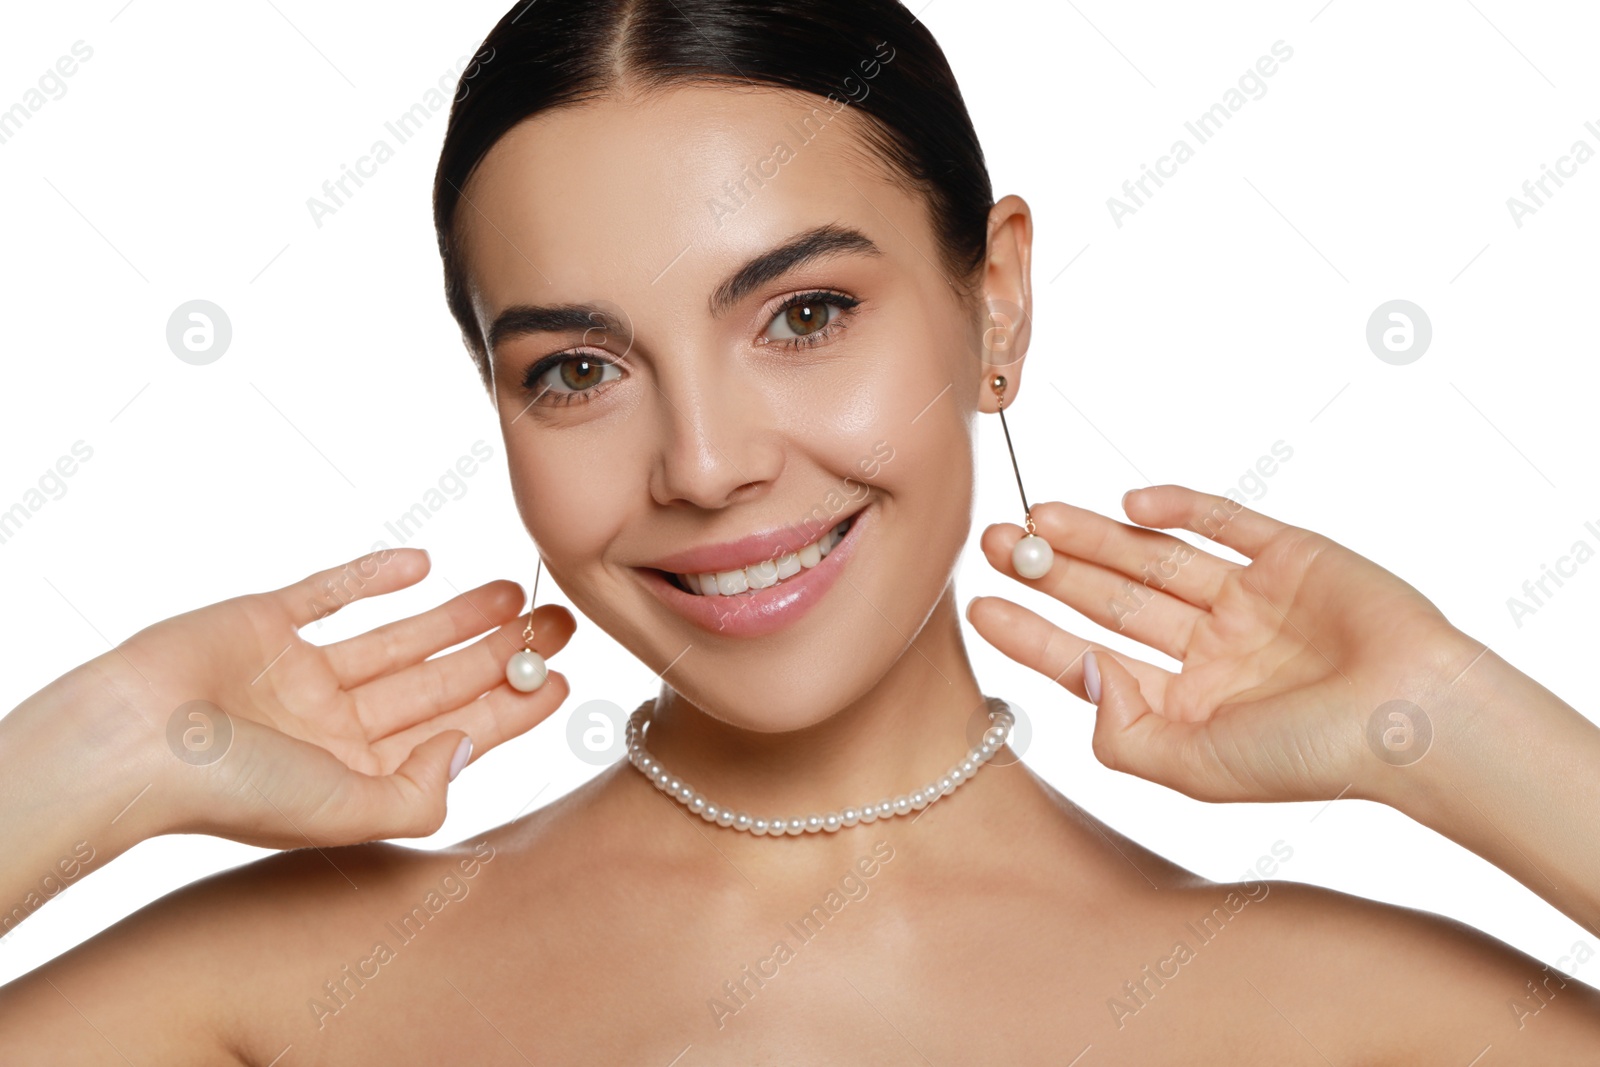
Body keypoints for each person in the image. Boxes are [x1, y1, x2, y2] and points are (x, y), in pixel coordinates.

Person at [3, 0, 1599, 1061]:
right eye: (577, 368)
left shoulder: (1325, 1014)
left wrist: (1455, 730)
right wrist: (104, 749)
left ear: (998, 302)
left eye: (804, 313)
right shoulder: (279, 1000)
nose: (702, 463)